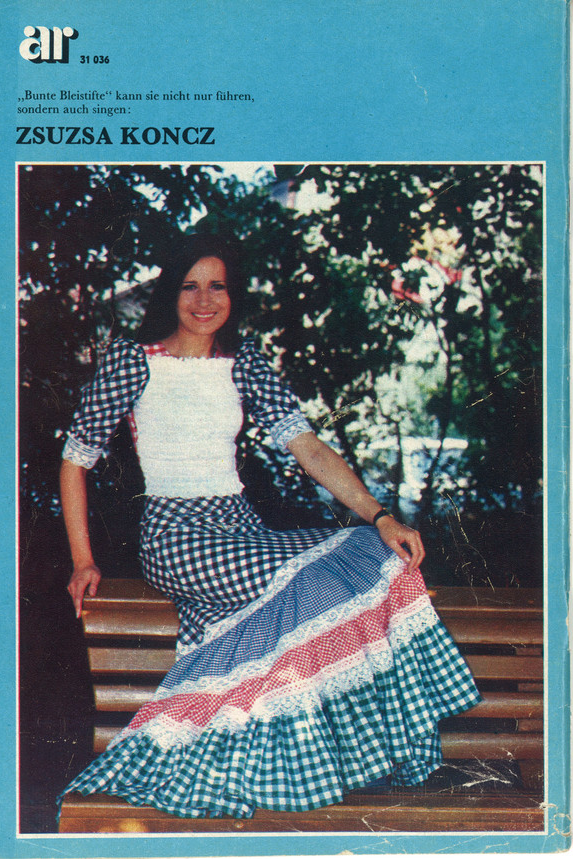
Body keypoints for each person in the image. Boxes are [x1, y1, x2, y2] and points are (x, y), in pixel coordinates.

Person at [59, 233, 480, 819]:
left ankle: (339, 759)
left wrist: (382, 516)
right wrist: (83, 559)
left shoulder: (244, 362)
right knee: (312, 586)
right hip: (175, 534)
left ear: (233, 296)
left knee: (371, 553)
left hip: (239, 525)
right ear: (170, 293)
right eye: (190, 286)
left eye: (218, 287)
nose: (204, 300)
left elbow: (307, 447)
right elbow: (75, 460)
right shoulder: (135, 361)